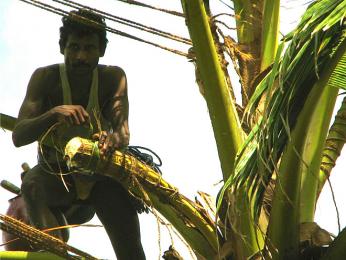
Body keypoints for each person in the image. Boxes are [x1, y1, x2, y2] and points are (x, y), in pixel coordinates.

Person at [12, 9, 146, 259]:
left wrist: (111, 139)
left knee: (131, 250)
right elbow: (19, 135)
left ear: (101, 51)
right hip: (56, 177)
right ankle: (55, 252)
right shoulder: (45, 78)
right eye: (73, 47)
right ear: (62, 48)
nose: (80, 56)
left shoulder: (112, 78)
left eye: (88, 48)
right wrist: (54, 113)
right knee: (32, 184)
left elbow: (123, 134)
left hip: (99, 177)